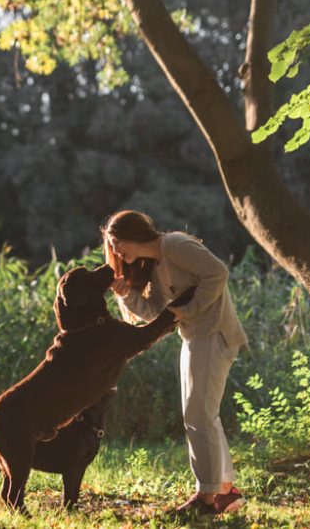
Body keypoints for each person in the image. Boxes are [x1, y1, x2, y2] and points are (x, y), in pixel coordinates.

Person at [101, 210, 248, 515]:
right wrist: (127, 296)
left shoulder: (175, 245)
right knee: (202, 415)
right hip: (195, 338)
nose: (115, 252)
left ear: (132, 236)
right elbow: (155, 313)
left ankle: (206, 498)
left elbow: (218, 273)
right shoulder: (155, 265)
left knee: (199, 416)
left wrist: (188, 309)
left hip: (214, 334)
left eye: (116, 243)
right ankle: (223, 491)